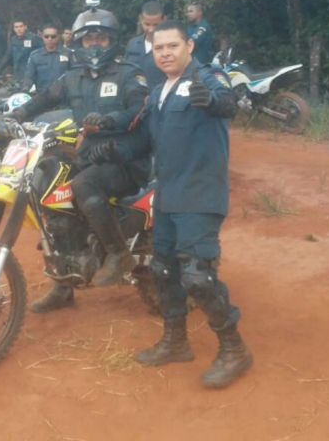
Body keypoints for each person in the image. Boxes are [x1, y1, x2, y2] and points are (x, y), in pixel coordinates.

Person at [91, 19, 252, 389]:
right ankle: (176, 341)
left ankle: (234, 350)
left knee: (198, 274)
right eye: (159, 47)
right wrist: (114, 150)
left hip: (200, 193)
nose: (165, 53)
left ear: (189, 47)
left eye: (172, 46)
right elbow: (144, 143)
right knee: (162, 270)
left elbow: (228, 103)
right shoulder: (160, 93)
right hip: (166, 194)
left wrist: (211, 101)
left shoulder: (207, 77)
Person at [8, 5, 150, 311]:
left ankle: (118, 254)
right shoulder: (72, 77)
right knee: (50, 186)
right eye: (89, 40)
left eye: (101, 38)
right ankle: (64, 285)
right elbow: (45, 98)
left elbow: (140, 109)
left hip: (124, 160)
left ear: (112, 41)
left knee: (83, 185)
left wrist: (111, 120)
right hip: (90, 157)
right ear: (80, 43)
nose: (95, 45)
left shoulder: (129, 74)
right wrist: (18, 113)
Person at [124, 1, 167, 89]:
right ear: (141, 20)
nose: (151, 29)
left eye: (156, 25)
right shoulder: (133, 44)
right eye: (147, 24)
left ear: (164, 20)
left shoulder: (170, 47)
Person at [24, 23, 72, 93]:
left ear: (58, 36)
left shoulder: (68, 54)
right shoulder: (35, 56)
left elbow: (74, 76)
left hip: (64, 97)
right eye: (46, 36)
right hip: (42, 97)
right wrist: (25, 89)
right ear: (42, 36)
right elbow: (30, 77)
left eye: (53, 36)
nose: (50, 39)